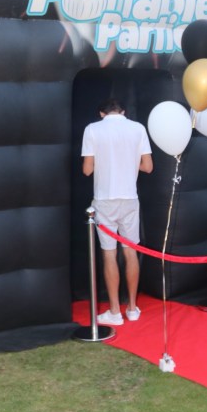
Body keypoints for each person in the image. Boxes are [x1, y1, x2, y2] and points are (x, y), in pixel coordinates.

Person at [81, 98, 153, 325]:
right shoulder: (138, 128)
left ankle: (114, 311)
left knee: (109, 254)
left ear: (102, 113)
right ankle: (132, 308)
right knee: (131, 252)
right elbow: (148, 167)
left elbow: (87, 170)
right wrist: (130, 164)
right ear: (123, 112)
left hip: (104, 200)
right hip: (130, 198)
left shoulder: (92, 129)